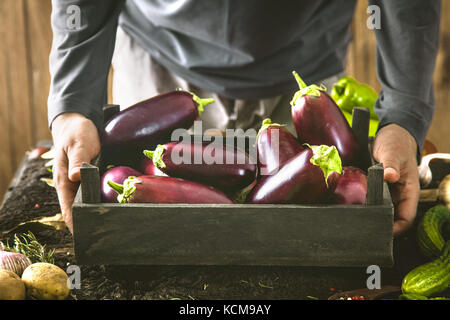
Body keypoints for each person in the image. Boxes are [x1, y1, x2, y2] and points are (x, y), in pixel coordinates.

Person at [48, 0, 441, 235]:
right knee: (153, 211)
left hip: (305, 59)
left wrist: (404, 114)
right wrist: (72, 104)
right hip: (159, 59)